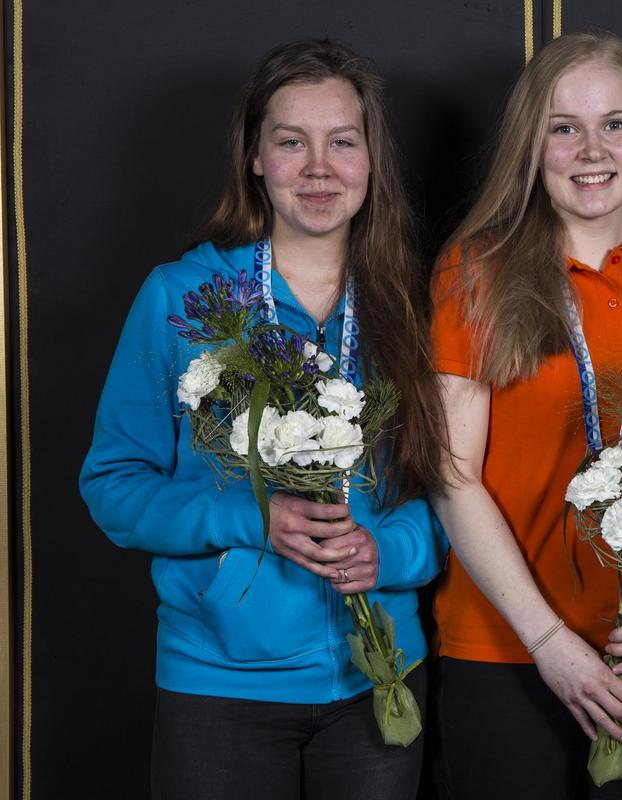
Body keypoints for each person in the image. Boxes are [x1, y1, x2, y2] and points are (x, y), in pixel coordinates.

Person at [79, 39, 446, 800]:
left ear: (371, 159)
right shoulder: (182, 297)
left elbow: (452, 490)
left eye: (342, 142)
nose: (319, 168)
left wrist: (390, 552)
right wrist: (251, 517)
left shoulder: (417, 302)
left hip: (381, 677)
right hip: (220, 686)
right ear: (254, 157)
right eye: (291, 142)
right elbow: (113, 484)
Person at [428, 32, 622, 799]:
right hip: (509, 650)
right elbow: (451, 478)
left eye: (614, 124)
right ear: (531, 145)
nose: (592, 150)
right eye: (564, 127)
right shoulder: (474, 272)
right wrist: (548, 640)